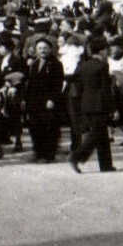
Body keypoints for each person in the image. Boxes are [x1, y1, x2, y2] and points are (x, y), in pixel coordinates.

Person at [68, 37, 115, 173]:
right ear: (101, 51)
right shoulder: (102, 66)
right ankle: (76, 156)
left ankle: (106, 165)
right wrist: (112, 107)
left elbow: (78, 83)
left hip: (86, 102)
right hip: (99, 103)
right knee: (97, 133)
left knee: (102, 135)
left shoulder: (83, 65)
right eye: (106, 50)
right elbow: (105, 89)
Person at [24, 36, 64, 162]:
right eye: (40, 48)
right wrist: (26, 99)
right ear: (36, 50)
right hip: (34, 101)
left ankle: (48, 155)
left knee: (49, 128)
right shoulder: (34, 64)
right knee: (35, 128)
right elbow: (30, 83)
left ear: (50, 49)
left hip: (48, 101)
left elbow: (58, 84)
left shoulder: (56, 64)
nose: (42, 50)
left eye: (45, 48)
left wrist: (52, 99)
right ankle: (38, 153)